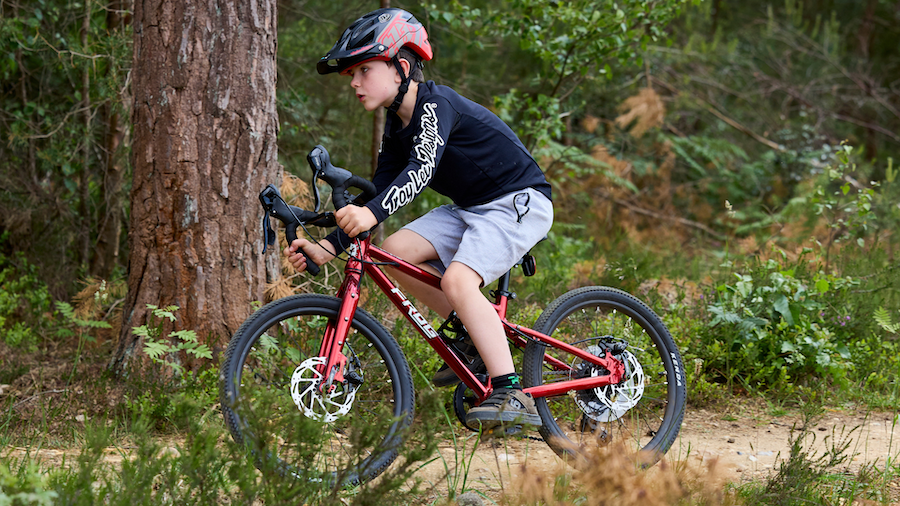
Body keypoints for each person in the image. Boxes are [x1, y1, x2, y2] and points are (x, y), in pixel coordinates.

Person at [284, 8, 553, 432]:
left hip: (518, 201)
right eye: (352, 73)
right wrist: (328, 246)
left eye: (364, 70)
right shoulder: (397, 127)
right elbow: (380, 193)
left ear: (402, 69)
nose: (354, 82)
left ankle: (511, 391)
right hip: (472, 207)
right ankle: (475, 336)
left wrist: (368, 213)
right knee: (393, 252)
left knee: (458, 281)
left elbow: (420, 171)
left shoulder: (435, 105)